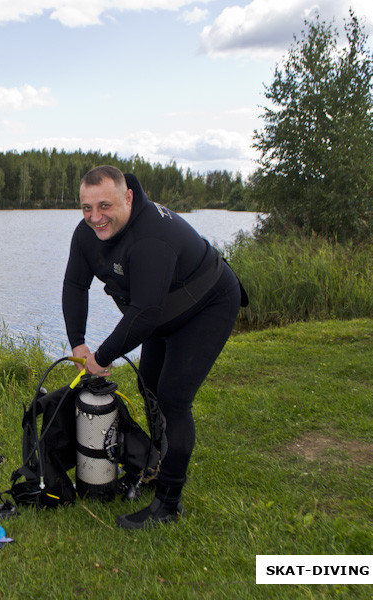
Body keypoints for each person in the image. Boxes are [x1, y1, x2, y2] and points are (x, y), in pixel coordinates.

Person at [62, 165, 247, 529]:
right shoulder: (87, 234)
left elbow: (144, 313)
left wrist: (101, 357)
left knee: (173, 397)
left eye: (105, 206)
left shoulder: (150, 239)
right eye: (86, 208)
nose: (95, 218)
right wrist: (78, 343)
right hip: (165, 307)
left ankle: (168, 505)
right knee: (148, 383)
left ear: (127, 197)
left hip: (208, 304)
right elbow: (74, 285)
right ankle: (159, 465)